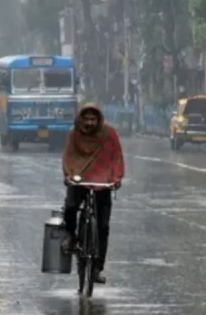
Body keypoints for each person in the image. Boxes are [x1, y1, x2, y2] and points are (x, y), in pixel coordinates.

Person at [61, 104, 125, 284]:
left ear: (99, 120)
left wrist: (116, 177)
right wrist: (69, 175)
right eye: (86, 119)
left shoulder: (109, 134)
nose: (89, 123)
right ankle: (70, 235)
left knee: (103, 227)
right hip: (80, 179)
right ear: (81, 120)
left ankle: (97, 268)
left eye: (93, 119)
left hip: (102, 182)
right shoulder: (75, 134)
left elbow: (116, 157)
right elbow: (68, 157)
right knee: (71, 206)